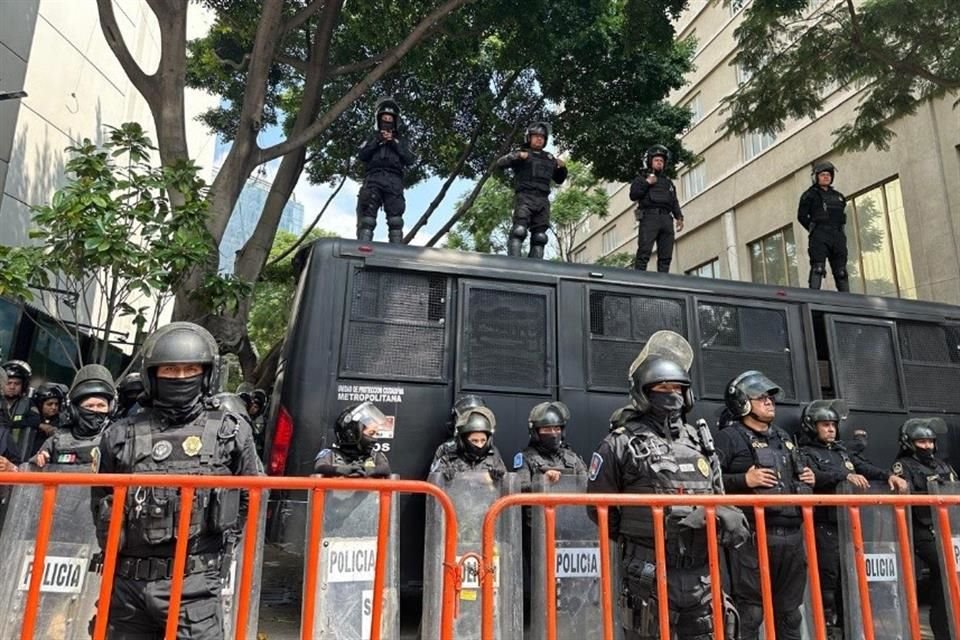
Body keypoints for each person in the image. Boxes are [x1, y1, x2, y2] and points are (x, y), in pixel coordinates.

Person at [91, 322, 261, 639]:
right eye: (170, 369)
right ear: (152, 374)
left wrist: (217, 554)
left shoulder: (231, 431)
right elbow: (101, 499)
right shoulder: (120, 433)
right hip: (128, 587)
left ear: (206, 374)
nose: (181, 378)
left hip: (194, 587)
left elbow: (251, 496)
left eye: (190, 369)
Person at [587, 332, 747, 640]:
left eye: (678, 388)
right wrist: (651, 527)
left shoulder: (701, 441)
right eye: (662, 388)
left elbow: (718, 493)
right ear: (644, 392)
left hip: (703, 573)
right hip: (647, 570)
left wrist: (726, 514)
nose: (671, 394)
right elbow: (600, 509)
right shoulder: (620, 443)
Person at [714, 370, 816, 640]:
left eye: (770, 397)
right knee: (750, 614)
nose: (769, 402)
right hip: (752, 541)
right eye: (761, 397)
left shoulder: (783, 437)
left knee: (790, 615)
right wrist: (743, 479)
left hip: (793, 540)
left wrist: (807, 477)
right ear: (742, 403)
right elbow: (708, 482)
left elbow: (798, 476)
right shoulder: (729, 437)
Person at [797, 400, 906, 637]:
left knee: (850, 583)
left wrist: (889, 476)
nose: (831, 429)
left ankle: (850, 630)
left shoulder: (841, 451)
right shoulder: (804, 453)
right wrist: (844, 476)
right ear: (811, 426)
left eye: (833, 425)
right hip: (823, 526)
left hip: (849, 526)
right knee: (827, 581)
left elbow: (864, 466)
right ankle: (826, 628)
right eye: (825, 425)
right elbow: (812, 476)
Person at [892, 418, 956, 640]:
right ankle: (943, 631)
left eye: (930, 441)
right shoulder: (904, 466)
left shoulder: (942, 465)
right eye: (921, 441)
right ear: (909, 442)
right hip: (923, 531)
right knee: (944, 571)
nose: (927, 446)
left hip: (950, 531)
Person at [497, 122, 568, 258]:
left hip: (542, 200)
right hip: (525, 197)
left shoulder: (549, 159)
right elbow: (500, 163)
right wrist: (516, 156)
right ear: (529, 138)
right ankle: (514, 263)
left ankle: (536, 267)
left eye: (542, 137)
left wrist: (563, 169)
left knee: (540, 237)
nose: (539, 139)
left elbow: (559, 180)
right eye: (535, 136)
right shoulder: (523, 154)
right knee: (519, 230)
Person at [355, 98, 415, 243]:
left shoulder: (402, 140)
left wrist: (394, 143)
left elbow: (410, 159)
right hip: (373, 178)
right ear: (379, 119)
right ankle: (363, 247)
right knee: (367, 219)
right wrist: (377, 141)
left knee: (395, 220)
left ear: (395, 121)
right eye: (384, 118)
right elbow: (361, 155)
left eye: (390, 119)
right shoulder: (371, 137)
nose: (387, 121)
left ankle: (396, 251)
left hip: (394, 180)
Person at [32, 365, 115, 469]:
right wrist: (38, 460)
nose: (95, 410)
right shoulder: (57, 439)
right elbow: (33, 467)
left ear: (111, 408)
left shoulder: (117, 439)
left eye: (101, 405)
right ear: (75, 410)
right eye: (89, 406)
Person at [630, 144, 683, 272]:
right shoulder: (641, 178)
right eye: (656, 160)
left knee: (666, 255)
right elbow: (633, 195)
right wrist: (647, 182)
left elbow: (674, 201)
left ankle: (663, 281)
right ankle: (638, 279)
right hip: (649, 217)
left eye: (661, 161)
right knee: (644, 251)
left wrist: (679, 217)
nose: (659, 163)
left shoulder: (668, 183)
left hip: (666, 219)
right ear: (650, 162)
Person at [797, 160, 849, 291]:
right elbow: (801, 216)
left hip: (838, 236)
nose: (826, 177)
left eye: (828, 175)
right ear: (816, 177)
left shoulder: (839, 197)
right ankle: (814, 299)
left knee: (841, 272)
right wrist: (814, 229)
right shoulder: (809, 195)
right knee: (818, 268)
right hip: (819, 235)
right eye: (822, 175)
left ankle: (848, 303)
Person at [513, 401, 586, 491]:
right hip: (539, 505)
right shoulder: (526, 459)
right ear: (535, 433)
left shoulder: (572, 459)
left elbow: (588, 487)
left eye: (557, 429)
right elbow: (520, 490)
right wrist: (542, 482)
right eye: (547, 429)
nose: (554, 434)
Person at [313, 401, 391, 478]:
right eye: (371, 433)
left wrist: (367, 470)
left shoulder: (375, 455)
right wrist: (342, 470)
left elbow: (385, 468)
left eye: (375, 434)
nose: (375, 439)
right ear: (352, 434)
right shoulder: (330, 454)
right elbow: (320, 467)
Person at [429, 405, 506, 481]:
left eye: (483, 440)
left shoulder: (493, 456)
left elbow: (506, 485)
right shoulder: (448, 457)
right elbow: (433, 484)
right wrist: (443, 476)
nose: (480, 445)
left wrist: (498, 478)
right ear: (463, 441)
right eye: (474, 441)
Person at [1, 359, 40, 458]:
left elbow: (35, 421)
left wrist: (13, 423)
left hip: (17, 453)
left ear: (23, 385)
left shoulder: (27, 403)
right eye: (8, 383)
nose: (12, 387)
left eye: (16, 384)